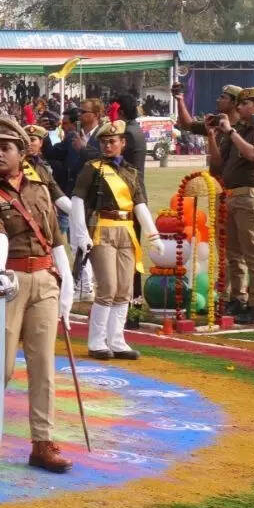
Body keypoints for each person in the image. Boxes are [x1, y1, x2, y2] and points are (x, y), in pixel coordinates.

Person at [0, 116, 74, 474]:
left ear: (22, 152)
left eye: (5, 148)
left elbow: (55, 239)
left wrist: (68, 280)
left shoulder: (40, 188)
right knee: (4, 364)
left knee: (43, 365)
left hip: (44, 279)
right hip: (7, 281)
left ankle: (42, 442)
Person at [70, 117, 161, 359]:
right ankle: (97, 341)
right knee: (107, 287)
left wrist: (154, 235)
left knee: (124, 290)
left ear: (122, 142)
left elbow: (140, 205)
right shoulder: (92, 168)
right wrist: (80, 234)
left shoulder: (131, 172)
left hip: (126, 230)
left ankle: (117, 341)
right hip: (103, 228)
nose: (108, 146)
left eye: (112, 141)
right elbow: (78, 201)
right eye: (104, 142)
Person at [210, 87, 254, 325]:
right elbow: (218, 164)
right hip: (233, 195)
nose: (239, 108)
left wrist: (231, 132)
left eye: (244, 105)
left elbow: (251, 155)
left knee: (252, 253)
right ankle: (238, 297)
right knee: (234, 253)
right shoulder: (242, 129)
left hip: (248, 195)